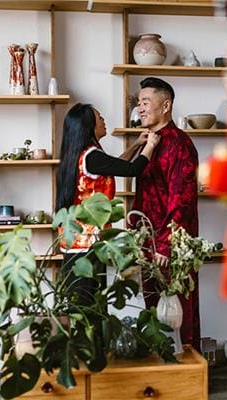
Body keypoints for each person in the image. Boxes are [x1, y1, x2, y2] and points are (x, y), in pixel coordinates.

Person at [55, 102, 160, 304]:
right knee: (90, 308)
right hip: (87, 245)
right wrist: (151, 146)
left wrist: (137, 145)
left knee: (83, 307)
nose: (103, 120)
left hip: (77, 244)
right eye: (99, 117)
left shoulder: (85, 155)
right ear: (89, 126)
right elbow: (132, 170)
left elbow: (117, 166)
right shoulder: (91, 156)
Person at [131, 77, 200, 348]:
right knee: (153, 312)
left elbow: (181, 200)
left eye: (146, 102)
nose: (140, 109)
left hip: (172, 247)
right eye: (139, 103)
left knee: (180, 312)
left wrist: (166, 246)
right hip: (148, 244)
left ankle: (188, 379)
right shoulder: (150, 143)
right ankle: (158, 375)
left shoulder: (179, 144)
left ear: (166, 105)